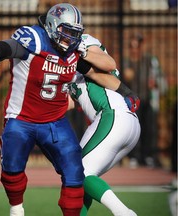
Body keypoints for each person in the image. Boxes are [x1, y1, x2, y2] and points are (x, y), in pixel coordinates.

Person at [0, 3, 140, 216]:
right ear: (53, 26)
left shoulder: (79, 49)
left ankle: (123, 212)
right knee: (76, 176)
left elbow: (102, 68)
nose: (71, 38)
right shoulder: (35, 39)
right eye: (67, 32)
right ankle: (17, 210)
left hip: (107, 117)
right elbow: (3, 47)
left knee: (81, 173)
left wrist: (128, 92)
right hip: (27, 119)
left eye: (75, 34)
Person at [69, 34, 141, 216]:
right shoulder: (60, 62)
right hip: (122, 121)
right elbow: (68, 103)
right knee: (80, 181)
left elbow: (109, 64)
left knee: (79, 172)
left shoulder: (82, 42)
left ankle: (124, 213)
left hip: (112, 115)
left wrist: (80, 52)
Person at [122, 33, 168, 168]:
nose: (134, 50)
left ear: (142, 47)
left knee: (150, 128)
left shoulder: (149, 61)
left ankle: (149, 156)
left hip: (148, 99)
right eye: (132, 47)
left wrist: (156, 84)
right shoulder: (126, 62)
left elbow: (160, 79)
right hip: (133, 101)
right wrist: (126, 77)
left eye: (137, 46)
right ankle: (134, 157)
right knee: (135, 129)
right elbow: (119, 82)